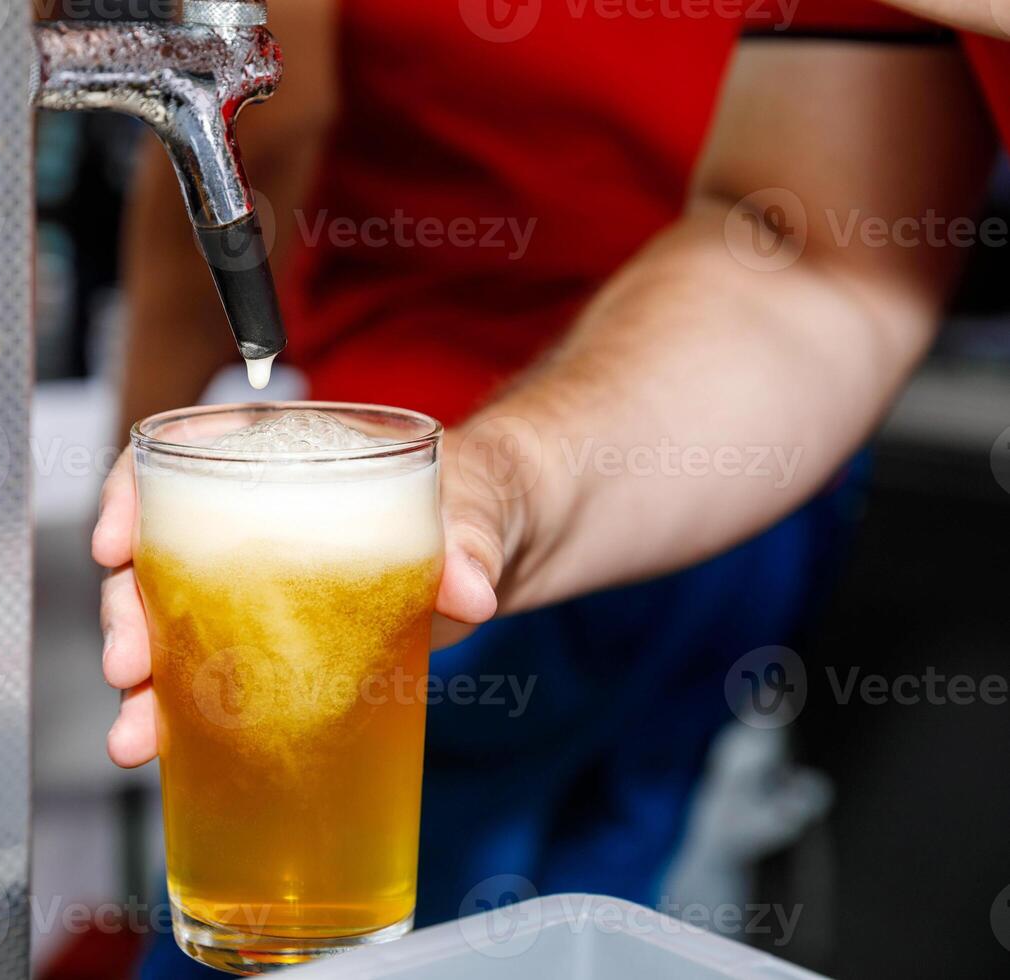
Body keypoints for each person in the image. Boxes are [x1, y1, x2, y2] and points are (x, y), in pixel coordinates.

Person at [93, 0, 1001, 974]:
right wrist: (496, 486)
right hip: (614, 488)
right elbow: (799, 253)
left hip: (512, 441)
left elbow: (275, 123)